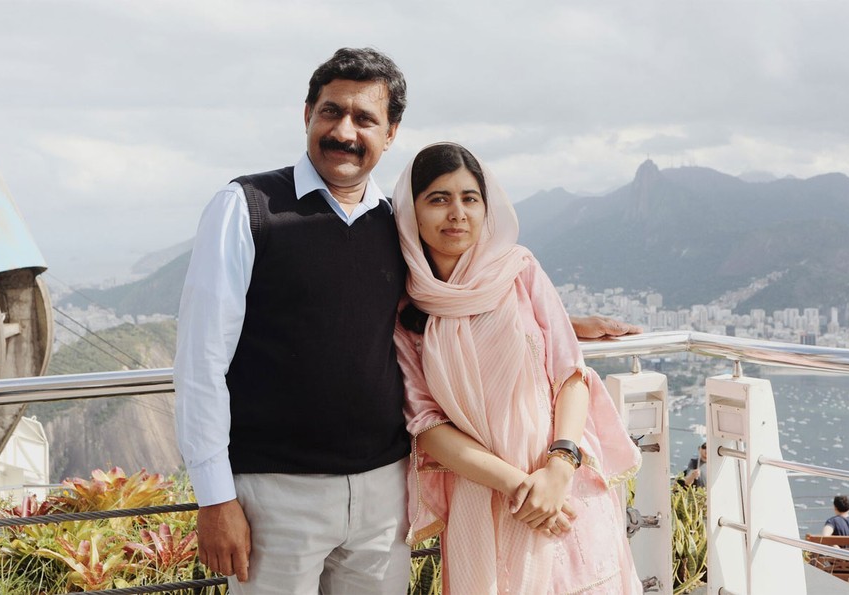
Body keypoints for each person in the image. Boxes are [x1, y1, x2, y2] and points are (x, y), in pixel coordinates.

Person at [174, 48, 640, 593]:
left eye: (365, 118)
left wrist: (560, 320)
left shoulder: (395, 228)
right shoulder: (248, 207)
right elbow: (201, 362)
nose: (345, 131)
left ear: (390, 133)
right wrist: (214, 497)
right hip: (277, 493)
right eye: (331, 111)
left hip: (382, 494)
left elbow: (450, 296)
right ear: (307, 114)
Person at [392, 143, 642, 594]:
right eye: (438, 198)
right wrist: (523, 488)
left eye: (470, 198)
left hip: (565, 486)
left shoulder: (518, 271)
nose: (457, 213)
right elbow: (426, 425)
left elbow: (571, 373)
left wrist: (558, 469)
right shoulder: (406, 309)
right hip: (485, 496)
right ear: (412, 211)